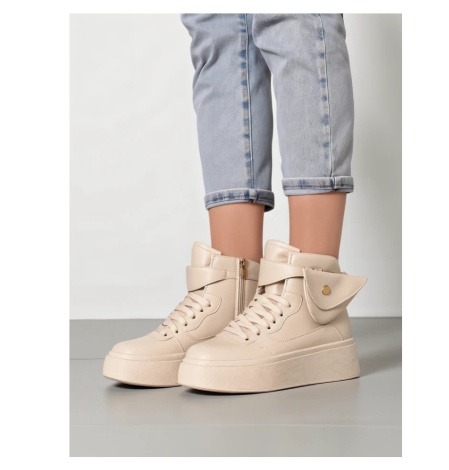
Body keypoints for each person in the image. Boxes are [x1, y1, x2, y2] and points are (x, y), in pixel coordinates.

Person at [103, 14, 367, 393]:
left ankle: (312, 305)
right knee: (220, 31)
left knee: (295, 19)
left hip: (314, 300)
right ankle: (233, 295)